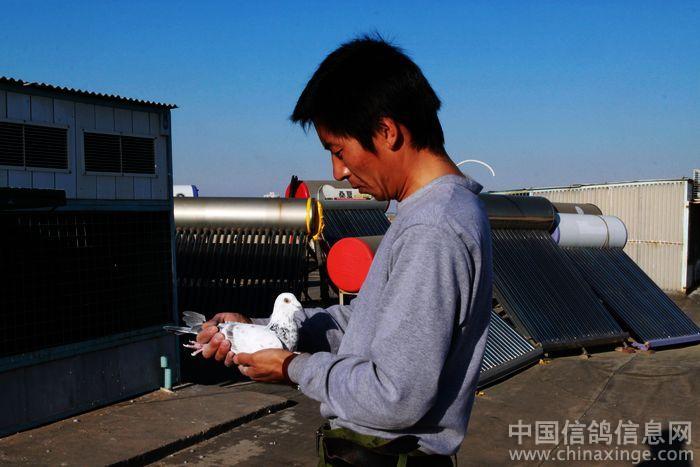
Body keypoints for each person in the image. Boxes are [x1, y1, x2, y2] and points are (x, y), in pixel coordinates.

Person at [196, 36, 492, 466]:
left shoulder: (433, 227)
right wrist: (267, 330)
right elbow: (368, 322)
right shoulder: (431, 212)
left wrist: (292, 367)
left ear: (387, 132)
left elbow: (394, 397)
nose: (338, 172)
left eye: (339, 151)